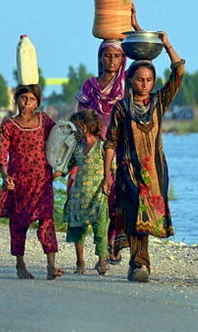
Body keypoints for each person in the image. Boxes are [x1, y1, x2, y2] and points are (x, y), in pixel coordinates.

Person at [102, 32, 184, 282]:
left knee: (147, 216)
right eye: (140, 79)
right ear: (130, 81)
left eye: (149, 80)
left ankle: (140, 263)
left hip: (155, 172)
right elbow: (111, 142)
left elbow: (179, 74)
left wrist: (168, 44)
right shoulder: (121, 108)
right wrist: (108, 174)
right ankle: (138, 263)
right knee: (132, 214)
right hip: (128, 169)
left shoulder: (159, 102)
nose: (145, 84)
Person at [0, 84, 64, 280]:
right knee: (19, 224)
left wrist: (61, 167)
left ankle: (51, 265)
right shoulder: (9, 125)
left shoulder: (44, 120)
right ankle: (20, 265)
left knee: (47, 220)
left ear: (38, 102)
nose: (27, 103)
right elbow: (1, 153)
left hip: (42, 181)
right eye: (24, 99)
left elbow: (59, 140)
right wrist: (5, 176)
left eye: (32, 99)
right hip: (19, 183)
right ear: (17, 100)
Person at [76, 39, 129, 265]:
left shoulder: (127, 83)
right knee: (98, 198)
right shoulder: (90, 85)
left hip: (121, 147)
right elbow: (80, 114)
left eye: (116, 56)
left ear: (122, 59)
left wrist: (135, 27)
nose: (112, 60)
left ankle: (113, 245)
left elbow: (146, 59)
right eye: (107, 55)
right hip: (94, 150)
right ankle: (100, 251)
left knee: (118, 198)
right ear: (100, 57)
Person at [62, 109, 109, 275]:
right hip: (79, 194)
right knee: (77, 228)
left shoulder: (102, 146)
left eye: (76, 127)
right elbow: (66, 166)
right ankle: (80, 261)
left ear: (85, 126)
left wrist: (107, 183)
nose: (74, 130)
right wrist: (53, 173)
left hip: (98, 193)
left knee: (101, 227)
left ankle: (102, 259)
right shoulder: (76, 147)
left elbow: (112, 168)